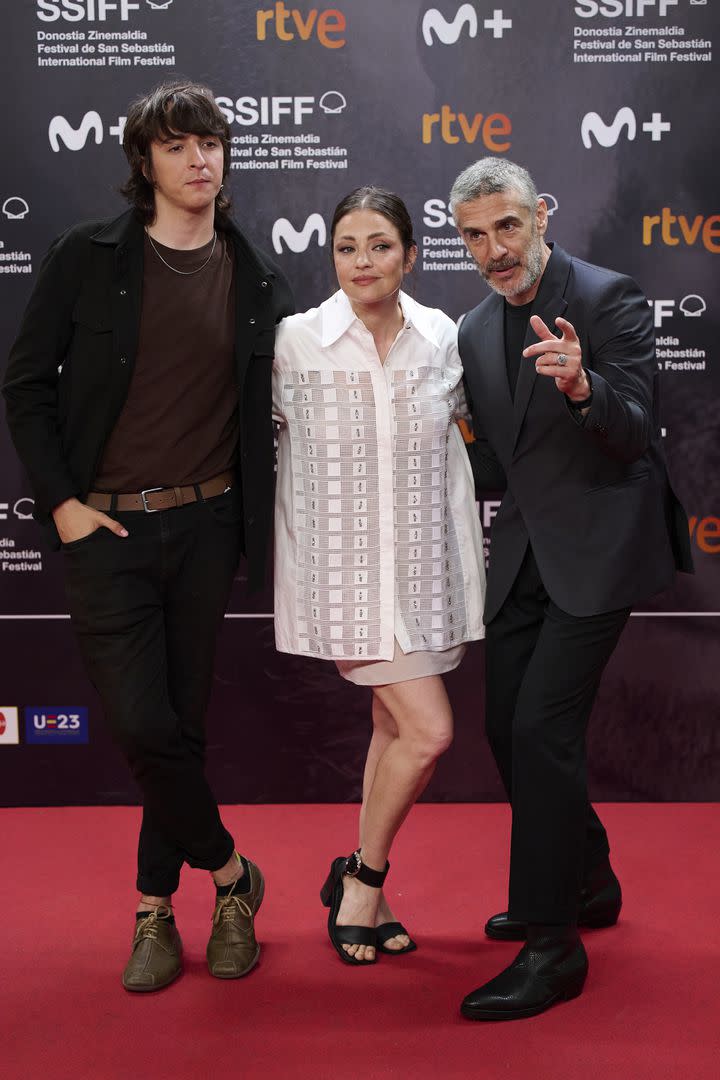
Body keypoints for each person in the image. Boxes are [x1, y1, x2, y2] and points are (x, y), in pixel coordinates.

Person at [3, 81, 293, 992]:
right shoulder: (86, 257)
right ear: (145, 162)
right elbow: (25, 386)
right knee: (140, 723)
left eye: (211, 140)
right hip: (107, 530)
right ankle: (234, 876)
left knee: (181, 728)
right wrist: (62, 506)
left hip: (209, 528)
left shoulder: (259, 278)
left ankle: (156, 913)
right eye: (177, 145)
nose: (199, 157)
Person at [449, 157, 692, 1020]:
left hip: (601, 547)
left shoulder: (607, 295)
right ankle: (587, 878)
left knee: (542, 729)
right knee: (504, 729)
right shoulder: (475, 328)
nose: (493, 249)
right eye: (473, 235)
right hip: (522, 554)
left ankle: (553, 947)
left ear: (541, 213)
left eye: (506, 226)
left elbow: (630, 436)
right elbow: (495, 460)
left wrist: (585, 385)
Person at [272, 187, 485, 965]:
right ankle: (363, 878)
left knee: (396, 729)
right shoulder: (296, 340)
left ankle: (362, 882)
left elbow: (470, 432)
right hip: (346, 575)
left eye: (380, 246)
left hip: (427, 571)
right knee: (430, 731)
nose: (363, 262)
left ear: (410, 253)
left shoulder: (442, 336)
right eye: (347, 247)